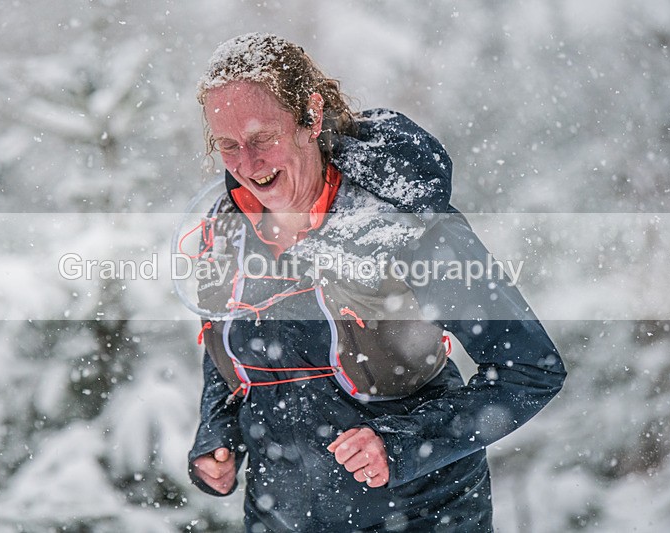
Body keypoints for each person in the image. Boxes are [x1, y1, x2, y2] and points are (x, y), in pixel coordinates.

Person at [185, 32, 566, 532]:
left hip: (421, 515)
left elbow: (529, 370)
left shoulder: (404, 225)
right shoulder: (225, 225)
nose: (248, 166)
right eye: (229, 145)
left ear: (311, 116)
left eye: (263, 138)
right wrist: (218, 432)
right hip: (278, 517)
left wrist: (402, 443)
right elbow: (228, 344)